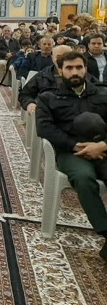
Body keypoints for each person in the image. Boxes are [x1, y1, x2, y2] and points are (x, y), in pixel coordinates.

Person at [35, 51, 107, 260]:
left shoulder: (102, 94)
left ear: (86, 69)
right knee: (84, 179)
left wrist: (102, 145)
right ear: (60, 70)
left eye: (78, 67)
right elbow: (45, 129)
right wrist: (75, 146)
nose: (74, 72)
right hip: (71, 153)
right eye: (69, 68)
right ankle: (105, 230)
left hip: (102, 149)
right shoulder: (48, 97)